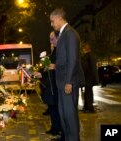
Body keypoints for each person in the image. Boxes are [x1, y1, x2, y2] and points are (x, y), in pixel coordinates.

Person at [50, 8, 84, 141]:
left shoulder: (70, 33)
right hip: (62, 82)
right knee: (64, 117)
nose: (52, 24)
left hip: (67, 83)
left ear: (59, 18)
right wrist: (56, 66)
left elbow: (73, 59)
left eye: (52, 21)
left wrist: (69, 81)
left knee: (70, 117)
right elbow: (64, 60)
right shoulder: (64, 34)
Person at [41, 31, 61, 136]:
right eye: (50, 39)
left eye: (52, 39)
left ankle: (57, 129)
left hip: (56, 85)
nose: (51, 41)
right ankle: (55, 128)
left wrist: (55, 66)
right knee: (53, 108)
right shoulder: (54, 51)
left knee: (55, 109)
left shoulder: (60, 50)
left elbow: (65, 64)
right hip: (51, 84)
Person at [81, 42, 99, 113]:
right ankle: (88, 107)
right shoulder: (92, 56)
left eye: (83, 49)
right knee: (88, 93)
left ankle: (89, 108)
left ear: (85, 49)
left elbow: (85, 67)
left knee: (88, 93)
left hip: (88, 78)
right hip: (90, 78)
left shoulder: (87, 56)